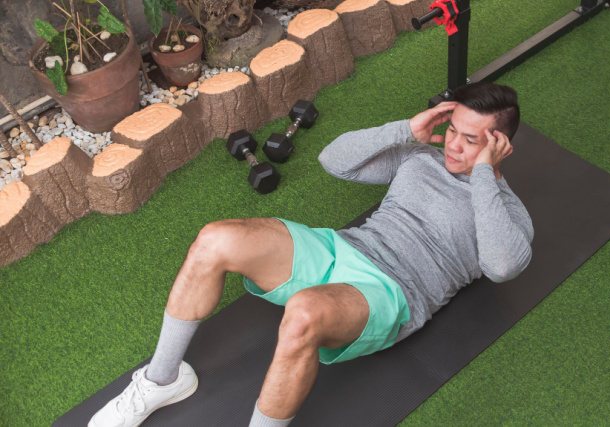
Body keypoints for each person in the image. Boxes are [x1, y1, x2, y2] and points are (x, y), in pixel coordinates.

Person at [88, 81, 534, 427]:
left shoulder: (507, 211)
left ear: (500, 145)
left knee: (302, 314)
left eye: (470, 140)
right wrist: (406, 130)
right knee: (214, 238)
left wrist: (482, 175)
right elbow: (332, 160)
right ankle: (162, 380)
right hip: (343, 248)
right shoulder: (420, 157)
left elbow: (501, 265)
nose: (452, 146)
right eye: (452, 130)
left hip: (391, 292)